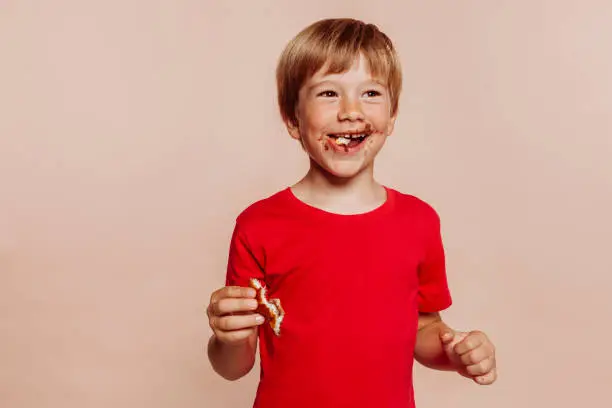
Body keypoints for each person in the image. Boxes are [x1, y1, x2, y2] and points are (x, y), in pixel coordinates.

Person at [206, 18, 497, 408]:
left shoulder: (419, 221)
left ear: (391, 117)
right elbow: (233, 367)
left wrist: (455, 352)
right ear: (293, 119)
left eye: (371, 93)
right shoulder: (259, 225)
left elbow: (424, 327)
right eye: (328, 93)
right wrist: (228, 338)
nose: (350, 111)